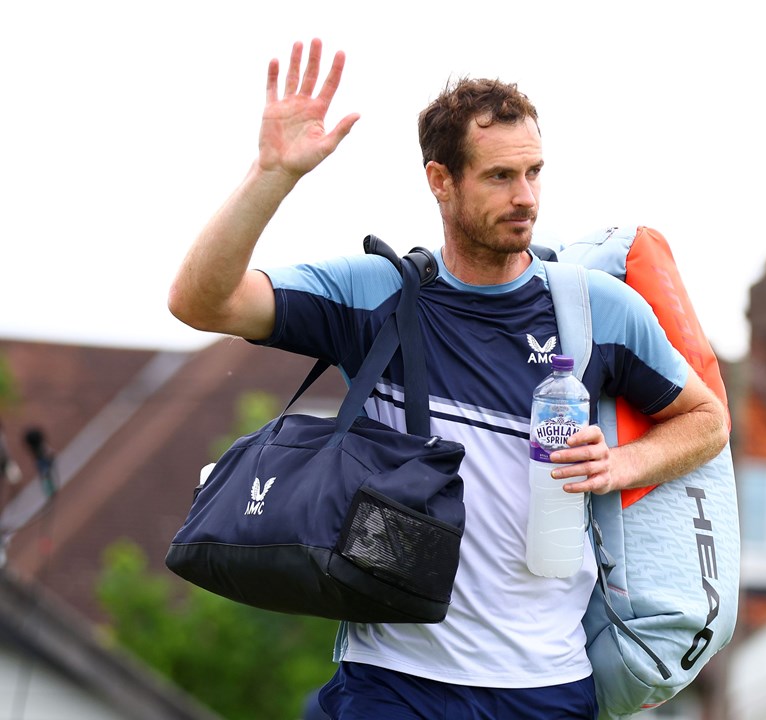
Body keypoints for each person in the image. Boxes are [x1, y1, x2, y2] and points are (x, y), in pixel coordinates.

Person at [169, 39, 728, 720]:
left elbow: (706, 421)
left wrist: (621, 461)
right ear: (441, 180)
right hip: (393, 682)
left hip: (548, 689)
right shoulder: (376, 294)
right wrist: (272, 174)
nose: (525, 197)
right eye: (499, 177)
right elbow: (202, 302)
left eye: (534, 173)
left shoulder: (594, 311)